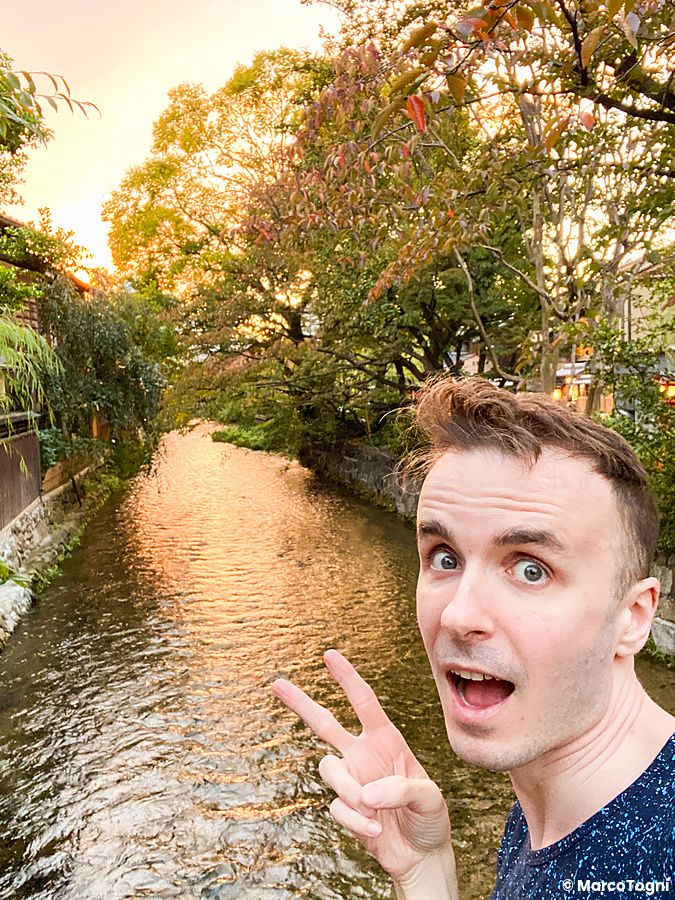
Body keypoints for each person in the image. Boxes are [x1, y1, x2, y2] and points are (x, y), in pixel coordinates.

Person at [271, 377, 675, 899]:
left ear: (634, 617)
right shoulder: (548, 801)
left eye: (531, 570)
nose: (459, 615)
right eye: (445, 557)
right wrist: (424, 871)